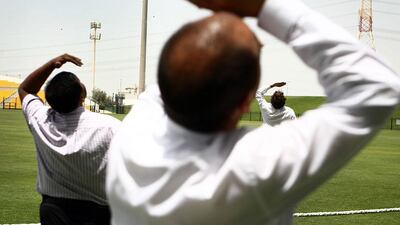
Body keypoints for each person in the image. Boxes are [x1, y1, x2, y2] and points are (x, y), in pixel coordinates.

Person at [106, 0, 400, 225]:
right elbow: (376, 85)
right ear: (245, 104)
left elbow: (187, 67)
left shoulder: (131, 134)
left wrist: (233, 19)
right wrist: (260, 6)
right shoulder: (250, 168)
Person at [18, 54, 121, 225]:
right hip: (98, 214)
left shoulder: (40, 120)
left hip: (53, 211)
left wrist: (52, 64)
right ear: (82, 96)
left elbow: (26, 89)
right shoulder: (109, 127)